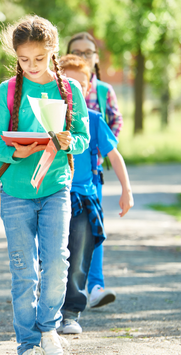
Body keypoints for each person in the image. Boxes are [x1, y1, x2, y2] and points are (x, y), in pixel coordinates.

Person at [0, 16, 89, 355]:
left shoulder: (70, 91)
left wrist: (67, 141)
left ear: (53, 53)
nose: (31, 67)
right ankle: (27, 345)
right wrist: (17, 152)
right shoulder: (8, 91)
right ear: (16, 57)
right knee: (24, 270)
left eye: (39, 59)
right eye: (24, 60)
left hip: (56, 187)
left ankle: (48, 326)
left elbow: (82, 138)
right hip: (16, 190)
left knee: (57, 263)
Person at [57, 55, 134, 334]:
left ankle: (70, 313)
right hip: (51, 196)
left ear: (88, 90)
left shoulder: (93, 119)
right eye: (67, 83)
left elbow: (114, 155)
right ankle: (47, 309)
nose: (72, 90)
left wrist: (126, 189)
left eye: (79, 85)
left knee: (78, 258)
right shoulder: (46, 120)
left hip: (84, 198)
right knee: (51, 257)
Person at [67, 32, 124, 308]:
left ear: (96, 58)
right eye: (76, 52)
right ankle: (61, 288)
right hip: (61, 175)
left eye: (87, 52)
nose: (81, 56)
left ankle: (96, 286)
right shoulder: (62, 84)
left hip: (91, 173)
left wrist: (98, 151)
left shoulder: (102, 91)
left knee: (93, 228)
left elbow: (115, 122)